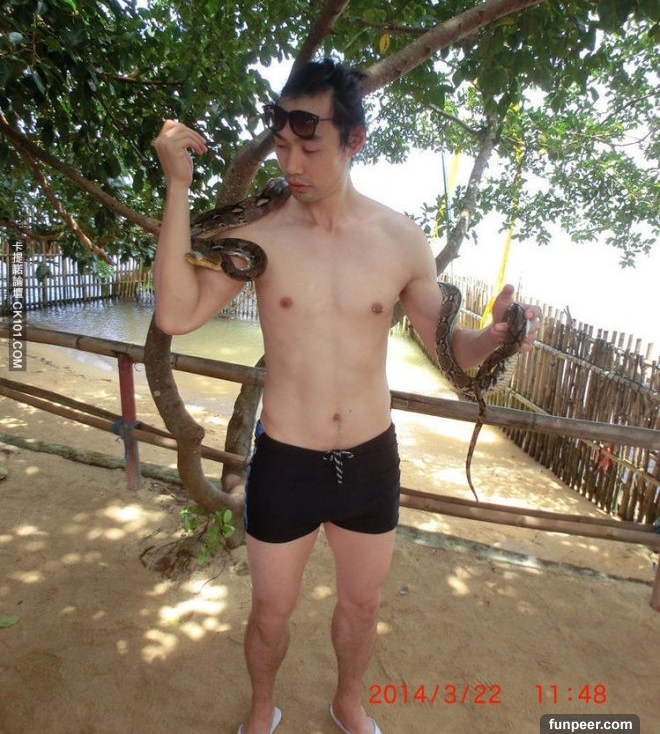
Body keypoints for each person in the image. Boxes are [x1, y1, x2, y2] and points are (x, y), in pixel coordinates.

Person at [153, 59, 541, 734]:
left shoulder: (400, 239)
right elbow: (176, 313)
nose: (291, 164)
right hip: (286, 460)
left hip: (369, 461)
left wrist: (496, 337)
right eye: (281, 146)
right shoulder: (260, 233)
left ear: (354, 140)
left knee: (362, 607)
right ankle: (261, 709)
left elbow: (453, 352)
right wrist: (178, 187)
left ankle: (348, 704)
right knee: (270, 613)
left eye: (310, 148)